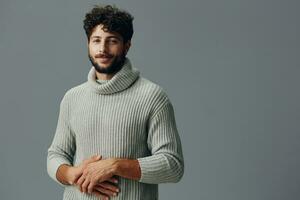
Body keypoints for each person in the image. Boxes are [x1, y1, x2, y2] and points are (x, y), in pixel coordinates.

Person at [47, 4, 184, 200]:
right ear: (88, 44)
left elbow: (173, 166)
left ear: (127, 45)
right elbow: (55, 155)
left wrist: (115, 166)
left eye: (112, 41)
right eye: (96, 41)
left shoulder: (152, 96)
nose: (102, 49)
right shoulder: (72, 98)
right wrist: (72, 175)